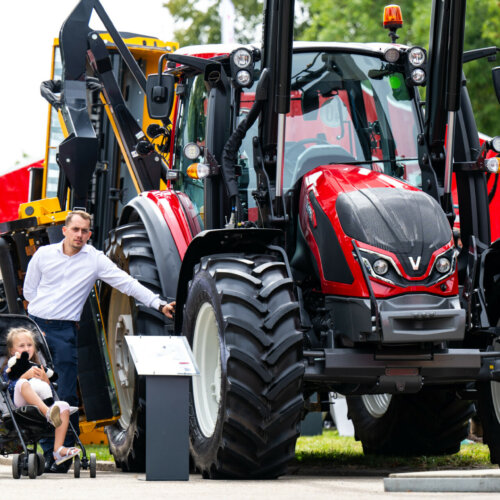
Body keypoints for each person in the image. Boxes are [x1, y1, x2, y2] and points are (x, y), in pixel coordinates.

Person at [23, 210, 175, 472]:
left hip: (64, 331)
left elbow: (127, 283)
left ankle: (59, 456)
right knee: (35, 389)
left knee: (65, 392)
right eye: (75, 230)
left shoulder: (95, 260)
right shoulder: (43, 255)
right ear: (65, 230)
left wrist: (157, 303)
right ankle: (42, 450)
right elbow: (29, 291)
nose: (80, 235)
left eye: (85, 231)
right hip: (35, 328)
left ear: (90, 234)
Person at [2, 327, 81, 465]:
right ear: (12, 350)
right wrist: (24, 376)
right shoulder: (9, 368)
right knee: (22, 382)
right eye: (22, 346)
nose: (27, 348)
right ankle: (49, 413)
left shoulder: (39, 367)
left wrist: (46, 380)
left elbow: (48, 391)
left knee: (64, 406)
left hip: (42, 403)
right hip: (20, 403)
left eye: (29, 345)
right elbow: (9, 385)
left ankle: (58, 449)